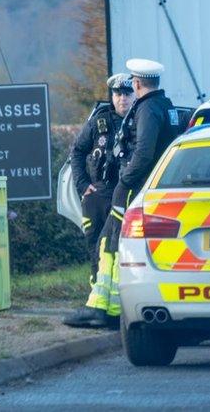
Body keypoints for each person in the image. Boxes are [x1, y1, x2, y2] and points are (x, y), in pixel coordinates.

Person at [64, 59, 181, 328]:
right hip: (139, 189)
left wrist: (124, 182)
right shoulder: (164, 106)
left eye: (130, 87)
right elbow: (80, 152)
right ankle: (113, 307)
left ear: (137, 84)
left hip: (131, 188)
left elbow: (143, 153)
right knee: (112, 242)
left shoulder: (148, 109)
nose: (124, 96)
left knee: (110, 242)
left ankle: (99, 307)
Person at [68, 73, 134, 282]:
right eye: (118, 94)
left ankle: (121, 290)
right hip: (99, 193)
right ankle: (97, 288)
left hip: (129, 193)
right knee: (96, 244)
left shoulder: (142, 121)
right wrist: (82, 185)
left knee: (124, 244)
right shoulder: (99, 121)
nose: (122, 98)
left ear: (135, 95)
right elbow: (77, 151)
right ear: (112, 96)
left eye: (127, 93)